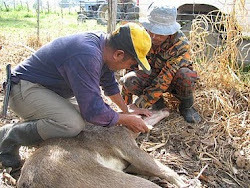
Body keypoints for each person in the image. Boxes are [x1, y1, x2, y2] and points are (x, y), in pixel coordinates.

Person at [0, 22, 153, 168]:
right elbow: (93, 112)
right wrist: (126, 120)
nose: (131, 67)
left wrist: (126, 111)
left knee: (90, 121)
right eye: (132, 64)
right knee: (71, 124)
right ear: (119, 54)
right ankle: (11, 137)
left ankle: (21, 129)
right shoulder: (87, 55)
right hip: (22, 89)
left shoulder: (104, 47)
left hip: (48, 90)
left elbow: (109, 85)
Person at [121, 3, 202, 124]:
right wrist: (126, 107)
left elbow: (165, 78)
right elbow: (129, 66)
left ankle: (187, 107)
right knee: (129, 79)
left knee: (186, 76)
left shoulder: (180, 45)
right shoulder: (140, 36)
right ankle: (158, 104)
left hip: (174, 81)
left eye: (160, 33)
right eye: (151, 30)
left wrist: (139, 104)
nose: (154, 37)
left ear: (170, 31)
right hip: (150, 76)